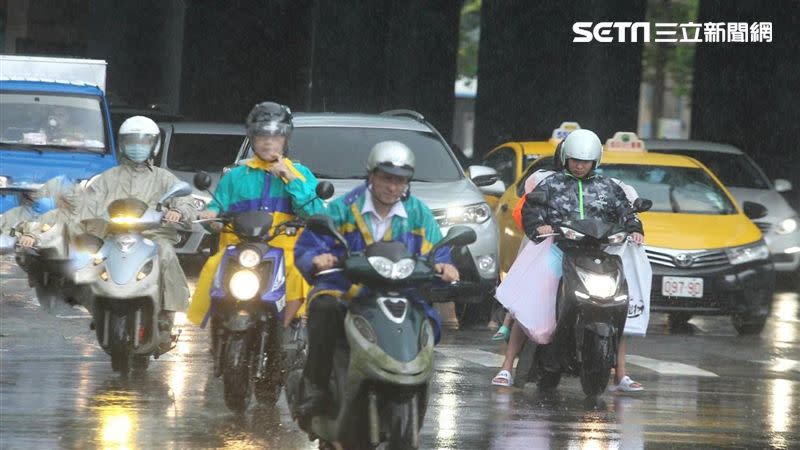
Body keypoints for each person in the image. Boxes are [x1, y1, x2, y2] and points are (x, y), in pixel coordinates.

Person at [293, 140, 460, 416]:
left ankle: (415, 385)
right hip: (348, 290)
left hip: (403, 293)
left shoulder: (418, 212)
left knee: (429, 322)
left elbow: (437, 251)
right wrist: (316, 259)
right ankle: (316, 388)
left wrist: (444, 266)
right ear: (371, 175)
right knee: (323, 310)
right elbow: (310, 245)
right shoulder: (343, 207)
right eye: (387, 178)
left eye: (401, 181)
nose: (393, 187)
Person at [491, 130, 645, 392]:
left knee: (620, 304)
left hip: (600, 254)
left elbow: (626, 211)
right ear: (565, 158)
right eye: (574, 159)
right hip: (560, 251)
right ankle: (507, 367)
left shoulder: (609, 188)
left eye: (585, 161)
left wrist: (635, 228)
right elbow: (532, 209)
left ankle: (620, 375)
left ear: (595, 160)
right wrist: (538, 226)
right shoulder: (551, 184)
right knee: (530, 304)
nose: (579, 165)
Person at [19, 115, 196, 332]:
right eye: (132, 141)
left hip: (152, 237)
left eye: (143, 142)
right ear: (122, 144)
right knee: (88, 257)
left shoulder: (165, 178)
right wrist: (38, 230)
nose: (137, 147)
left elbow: (185, 199)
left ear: (154, 145)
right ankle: (100, 306)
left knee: (166, 252)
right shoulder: (107, 178)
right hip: (114, 235)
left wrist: (178, 211)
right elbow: (81, 207)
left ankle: (168, 310)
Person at [186, 102, 324, 329]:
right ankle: (217, 326)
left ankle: (292, 326)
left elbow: (314, 211)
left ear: (286, 138)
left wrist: (289, 178)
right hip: (240, 247)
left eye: (275, 136)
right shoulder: (236, 175)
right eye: (261, 136)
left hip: (284, 248)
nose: (268, 141)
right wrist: (211, 216)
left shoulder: (301, 173)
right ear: (252, 138)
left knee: (298, 272)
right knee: (213, 265)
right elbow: (218, 208)